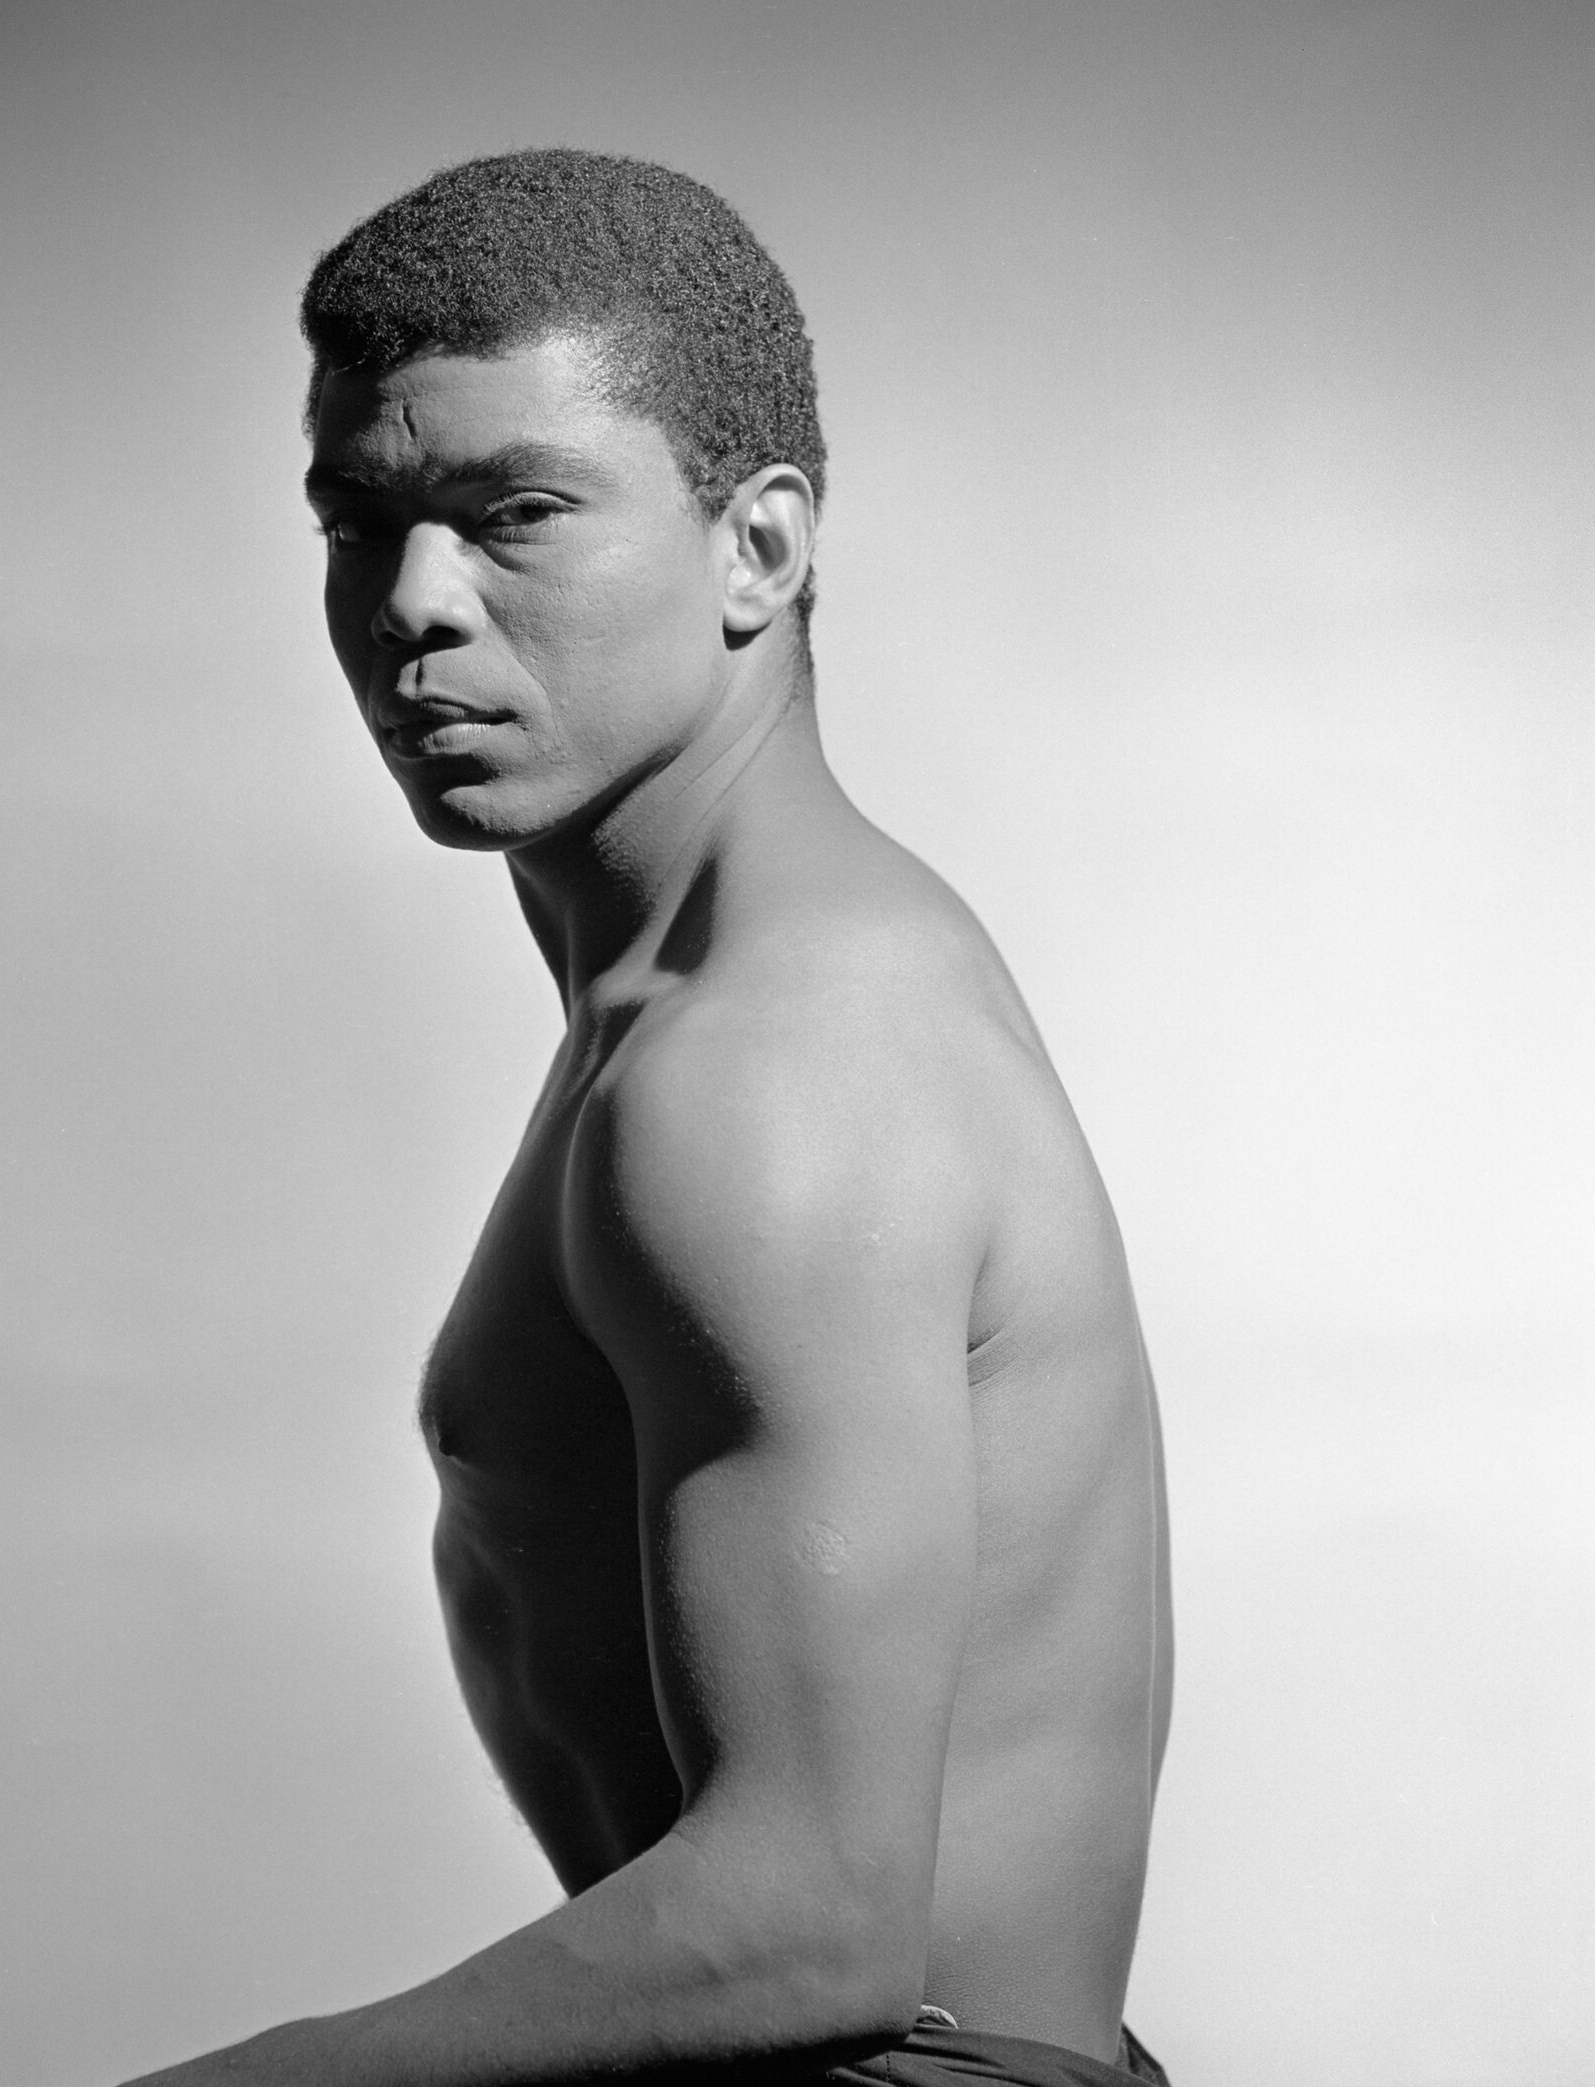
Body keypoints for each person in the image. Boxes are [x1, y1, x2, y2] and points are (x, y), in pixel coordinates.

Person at [125, 148, 1173, 2087]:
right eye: (358, 522)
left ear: (758, 552)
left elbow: (813, 1916)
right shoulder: (703, 998)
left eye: (514, 513)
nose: (413, 605)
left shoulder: (769, 1069)